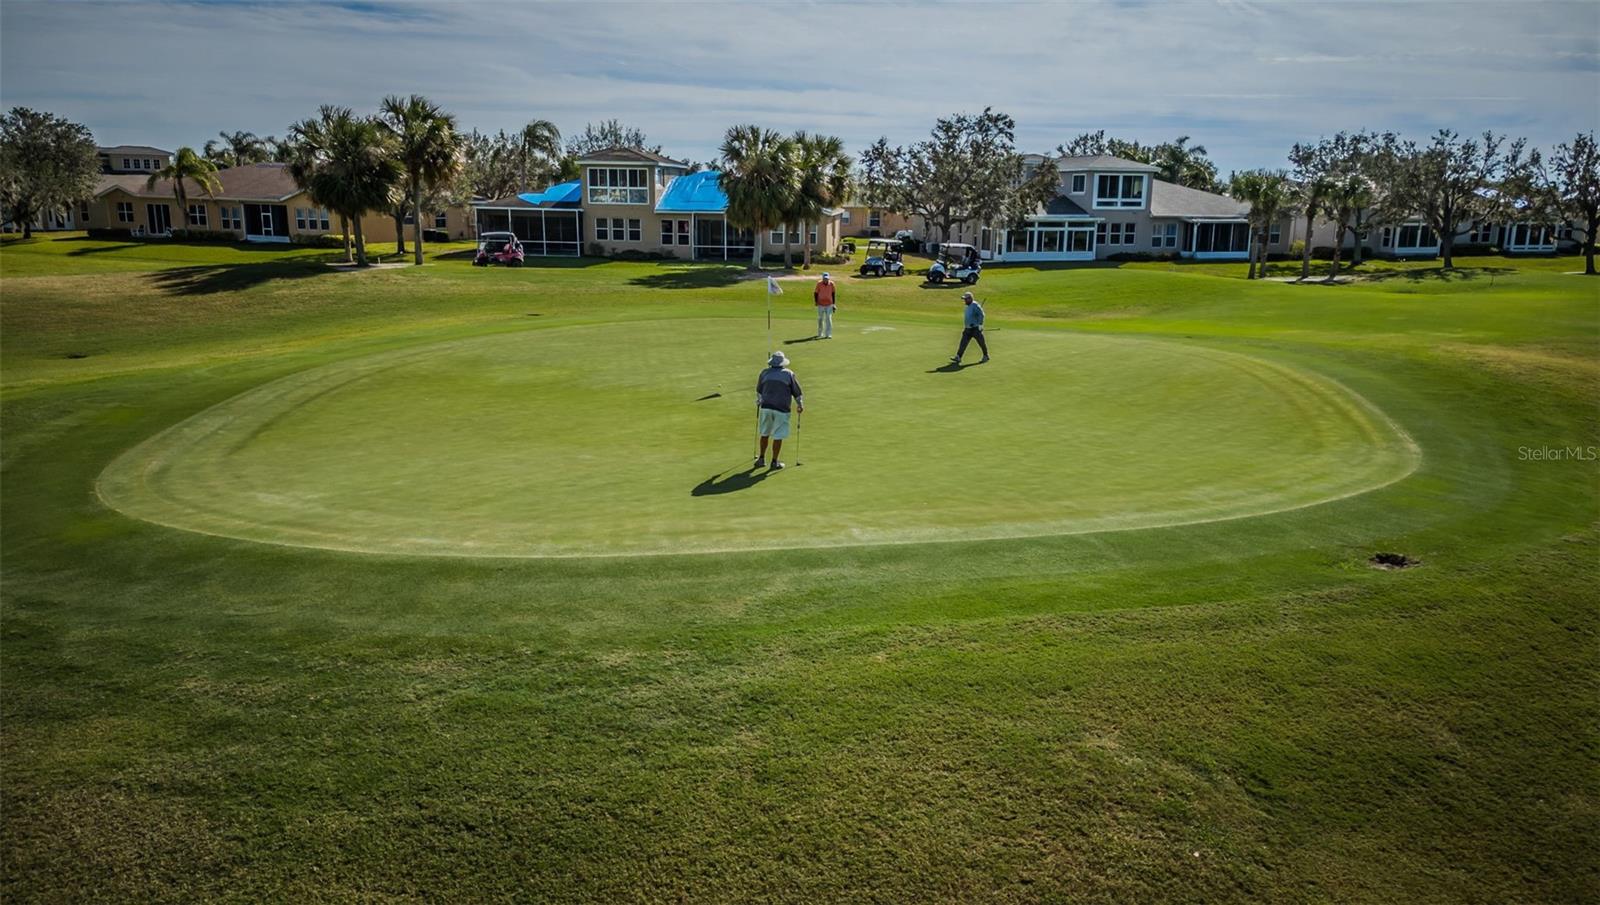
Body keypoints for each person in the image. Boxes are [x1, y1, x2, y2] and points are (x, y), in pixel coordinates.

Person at [755, 350, 804, 470]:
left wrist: (759, 401)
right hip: (781, 408)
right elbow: (797, 392)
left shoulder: (764, 373)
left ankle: (761, 459)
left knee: (765, 433)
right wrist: (800, 405)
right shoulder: (788, 374)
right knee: (778, 434)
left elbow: (759, 391)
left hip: (766, 407)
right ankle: (774, 462)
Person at [951, 291, 990, 364]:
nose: (964, 300)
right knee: (963, 343)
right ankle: (958, 357)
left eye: (966, 299)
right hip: (968, 329)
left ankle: (986, 355)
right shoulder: (967, 306)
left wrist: (980, 325)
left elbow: (981, 315)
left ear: (970, 299)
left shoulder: (975, 305)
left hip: (975, 329)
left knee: (981, 342)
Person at [814, 271, 836, 339]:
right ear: (822, 278)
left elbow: (833, 294)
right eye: (824, 278)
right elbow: (816, 293)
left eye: (827, 278)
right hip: (820, 304)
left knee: (828, 319)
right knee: (820, 319)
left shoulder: (832, 284)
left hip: (829, 304)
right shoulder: (819, 284)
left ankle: (828, 334)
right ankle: (820, 333)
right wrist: (816, 302)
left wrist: (833, 304)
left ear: (828, 278)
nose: (826, 280)